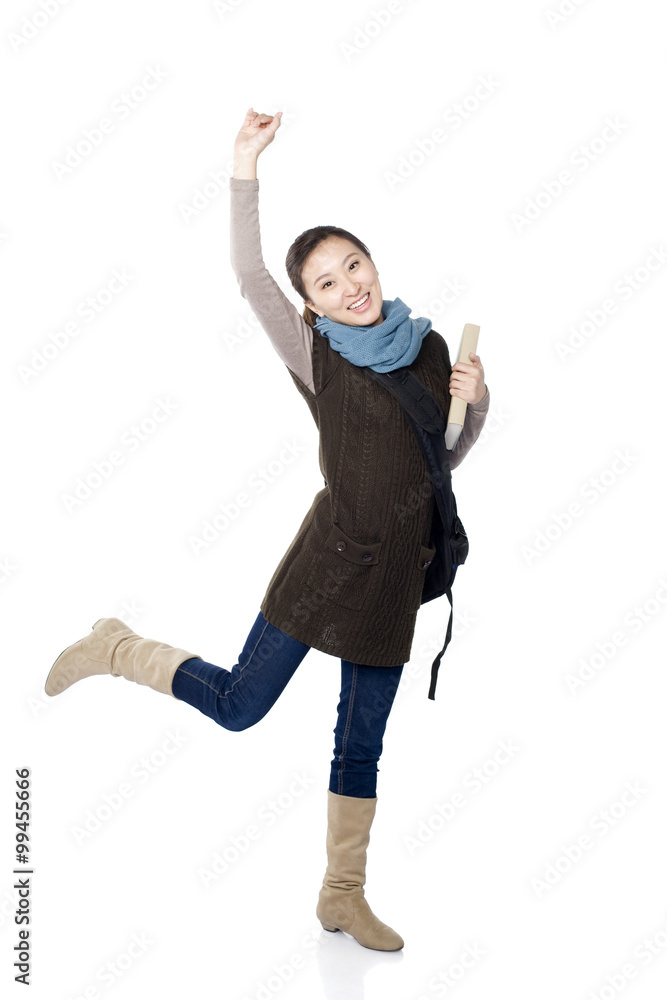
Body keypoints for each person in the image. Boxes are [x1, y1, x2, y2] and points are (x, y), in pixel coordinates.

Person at [45, 108, 490, 953]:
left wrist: (477, 398)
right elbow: (251, 275)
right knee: (243, 706)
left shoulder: (429, 351)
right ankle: (118, 647)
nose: (349, 284)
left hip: (396, 579)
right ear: (311, 303)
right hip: (327, 566)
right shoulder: (315, 352)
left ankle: (341, 895)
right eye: (326, 281)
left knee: (360, 741)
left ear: (372, 263)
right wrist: (245, 162)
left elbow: (442, 463)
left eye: (353, 264)